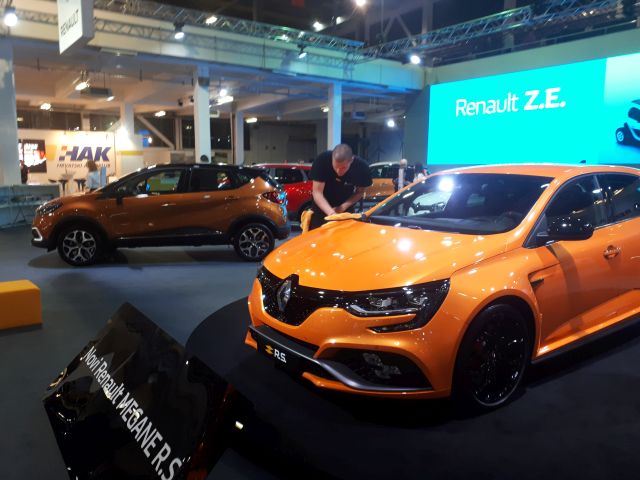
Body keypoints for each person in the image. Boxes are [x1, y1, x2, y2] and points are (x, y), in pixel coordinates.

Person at [308, 144, 372, 230]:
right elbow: (317, 192)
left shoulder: (362, 168)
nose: (339, 171)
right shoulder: (322, 160)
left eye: (343, 168)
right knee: (318, 235)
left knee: (344, 235)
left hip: (345, 208)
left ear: (351, 160)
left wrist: (342, 207)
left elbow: (359, 192)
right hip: (321, 207)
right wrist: (332, 213)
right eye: (336, 167)